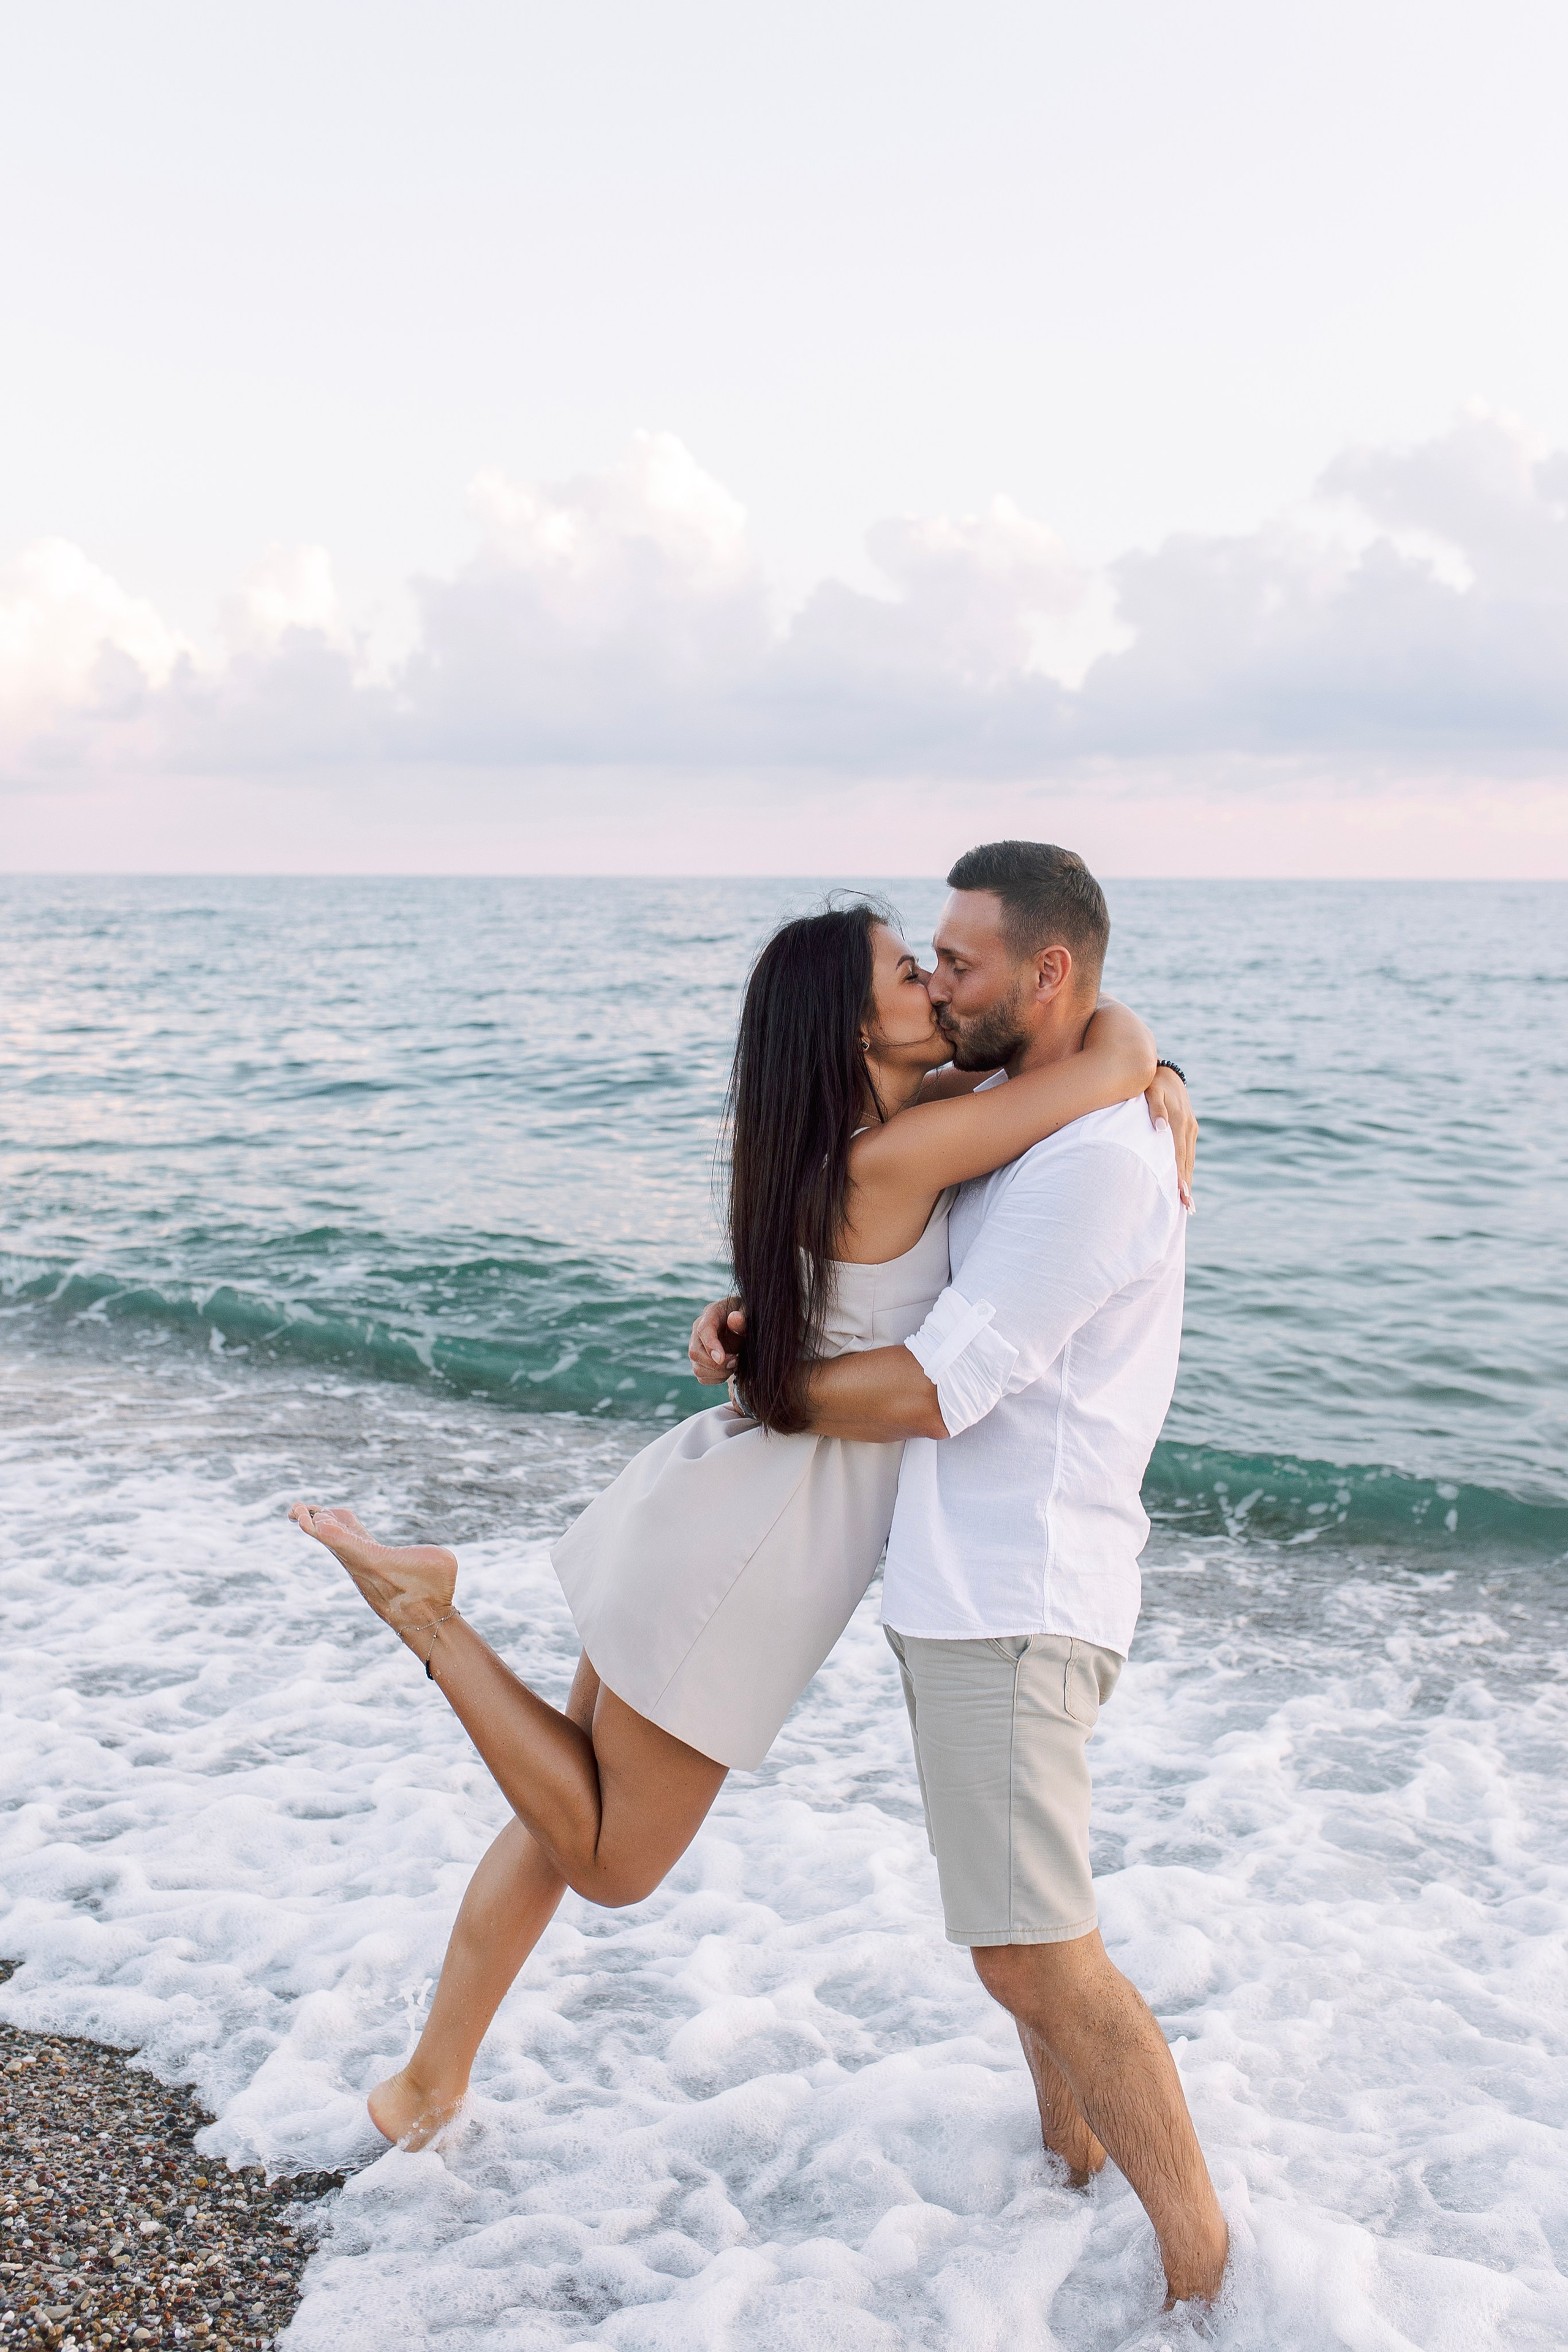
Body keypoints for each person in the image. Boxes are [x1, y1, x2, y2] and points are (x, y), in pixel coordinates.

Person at [288, 884, 1194, 2165]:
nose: (935, 987)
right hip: (753, 1542)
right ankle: (432, 1619)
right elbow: (1097, 1068)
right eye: (908, 975)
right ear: (855, 1033)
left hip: (716, 1499)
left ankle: (425, 2084)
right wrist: (1148, 1059)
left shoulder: (858, 1138)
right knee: (610, 1861)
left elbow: (1059, 1081)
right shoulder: (892, 1155)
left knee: (560, 1810)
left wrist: (1143, 1066)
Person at [690, 841, 1227, 2309]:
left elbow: (942, 1387)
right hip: (959, 1587)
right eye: (921, 961)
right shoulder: (1013, 1117)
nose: (934, 983)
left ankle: (1204, 2282)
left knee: (1034, 1956)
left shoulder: (1093, 1161)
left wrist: (766, 1392)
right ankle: (1069, 2174)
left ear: (1045, 972)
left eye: (958, 962)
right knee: (1020, 1941)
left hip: (1017, 1596)